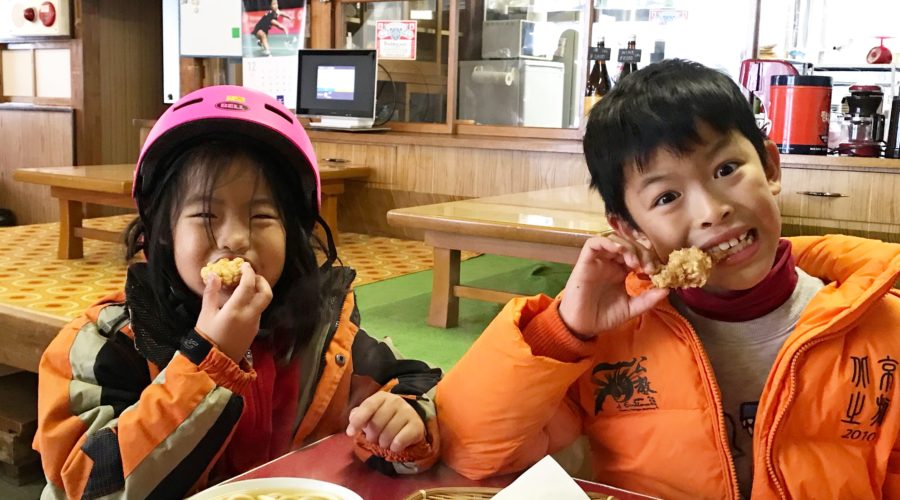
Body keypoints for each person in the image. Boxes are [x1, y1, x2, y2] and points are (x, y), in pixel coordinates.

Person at [436, 59, 900, 499]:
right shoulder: (609, 341)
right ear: (630, 229)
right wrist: (563, 331)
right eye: (666, 197)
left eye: (726, 170)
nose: (711, 209)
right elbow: (472, 453)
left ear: (771, 167)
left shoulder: (883, 329)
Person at [33, 85, 442, 499]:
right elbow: (84, 486)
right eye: (206, 214)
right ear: (161, 234)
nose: (234, 238)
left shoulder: (323, 330)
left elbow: (409, 381)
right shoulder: (107, 343)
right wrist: (210, 357)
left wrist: (404, 417)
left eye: (262, 215)